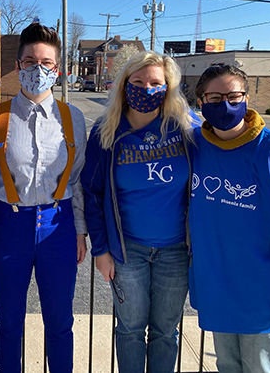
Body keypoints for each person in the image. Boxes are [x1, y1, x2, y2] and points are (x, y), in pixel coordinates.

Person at [0, 23, 87, 373]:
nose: (37, 69)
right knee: (9, 322)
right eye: (29, 61)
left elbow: (78, 178)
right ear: (18, 65)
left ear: (57, 68)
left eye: (46, 63)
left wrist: (80, 229)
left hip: (59, 224)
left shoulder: (73, 118)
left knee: (60, 321)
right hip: (9, 225)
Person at [188, 64, 270, 372]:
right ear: (200, 102)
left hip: (261, 293)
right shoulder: (193, 146)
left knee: (258, 366)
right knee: (227, 365)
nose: (226, 105)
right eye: (215, 98)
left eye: (234, 96)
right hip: (215, 286)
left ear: (246, 97)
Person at [81, 50, 199, 373]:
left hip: (175, 250)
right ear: (124, 85)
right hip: (127, 249)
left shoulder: (186, 129)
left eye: (155, 83)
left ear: (168, 87)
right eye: (138, 82)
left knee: (165, 332)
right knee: (130, 329)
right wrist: (101, 250)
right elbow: (92, 195)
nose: (146, 88)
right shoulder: (106, 132)